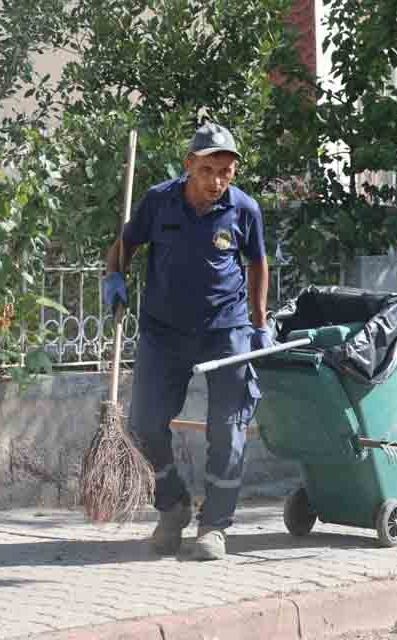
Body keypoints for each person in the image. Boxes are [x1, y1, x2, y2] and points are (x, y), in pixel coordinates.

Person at [101, 122, 272, 561]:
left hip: (226, 332)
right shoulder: (159, 201)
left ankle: (214, 526)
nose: (217, 181)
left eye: (226, 172)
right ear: (189, 166)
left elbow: (257, 264)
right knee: (143, 423)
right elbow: (126, 242)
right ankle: (173, 505)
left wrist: (259, 322)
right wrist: (115, 275)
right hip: (164, 332)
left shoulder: (244, 209)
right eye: (209, 170)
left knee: (227, 430)